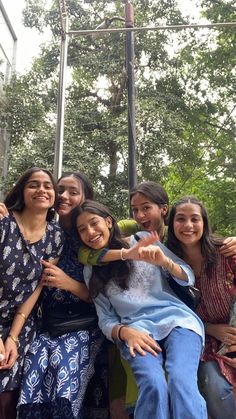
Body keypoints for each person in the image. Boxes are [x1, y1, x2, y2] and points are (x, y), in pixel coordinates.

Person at [71, 200, 208, 419]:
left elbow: (187, 276)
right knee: (153, 385)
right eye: (82, 229)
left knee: (181, 380)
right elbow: (105, 319)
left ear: (108, 222)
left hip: (178, 321)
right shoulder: (91, 269)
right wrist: (126, 332)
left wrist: (165, 262)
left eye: (94, 223)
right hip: (136, 332)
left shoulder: (141, 239)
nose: (90, 232)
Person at [17, 172, 110, 419]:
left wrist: (69, 284)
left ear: (86, 199)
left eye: (73, 192)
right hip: (47, 326)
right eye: (61, 190)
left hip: (85, 326)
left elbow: (108, 295)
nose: (64, 196)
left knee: (64, 384)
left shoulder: (93, 237)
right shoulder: (46, 232)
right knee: (33, 377)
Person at [0, 167, 64, 419]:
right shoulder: (4, 224)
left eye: (48, 186)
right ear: (22, 192)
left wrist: (13, 338)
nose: (42, 190)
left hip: (20, 322)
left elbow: (37, 288)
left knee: (12, 380)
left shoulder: (56, 237)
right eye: (33, 185)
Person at [166, 196, 236, 419]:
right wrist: (211, 328)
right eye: (181, 219)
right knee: (214, 386)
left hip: (234, 334)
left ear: (204, 223)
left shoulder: (225, 252)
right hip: (201, 340)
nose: (188, 226)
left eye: (194, 219)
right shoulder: (167, 264)